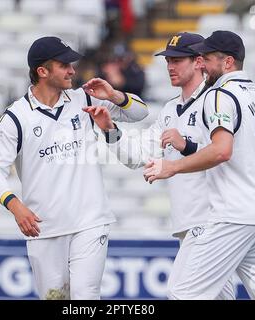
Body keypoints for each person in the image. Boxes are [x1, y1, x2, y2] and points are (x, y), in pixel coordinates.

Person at [0, 36, 149, 300]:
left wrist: (114, 95)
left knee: (86, 295)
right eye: (64, 65)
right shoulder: (16, 117)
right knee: (55, 298)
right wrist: (16, 207)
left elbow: (141, 113)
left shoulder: (83, 98)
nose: (72, 70)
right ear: (42, 71)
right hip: (45, 228)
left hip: (90, 221)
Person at [83, 32, 235, 299]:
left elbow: (226, 154)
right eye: (168, 60)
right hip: (189, 222)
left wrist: (186, 145)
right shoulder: (170, 110)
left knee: (180, 294)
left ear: (199, 62)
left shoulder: (217, 101)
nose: (170, 66)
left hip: (211, 220)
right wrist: (109, 129)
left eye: (178, 60)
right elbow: (138, 157)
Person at [143, 30, 255, 299]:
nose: (202, 63)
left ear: (228, 63)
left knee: (182, 293)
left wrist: (172, 167)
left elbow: (221, 151)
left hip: (234, 215)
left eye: (208, 58)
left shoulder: (219, 94)